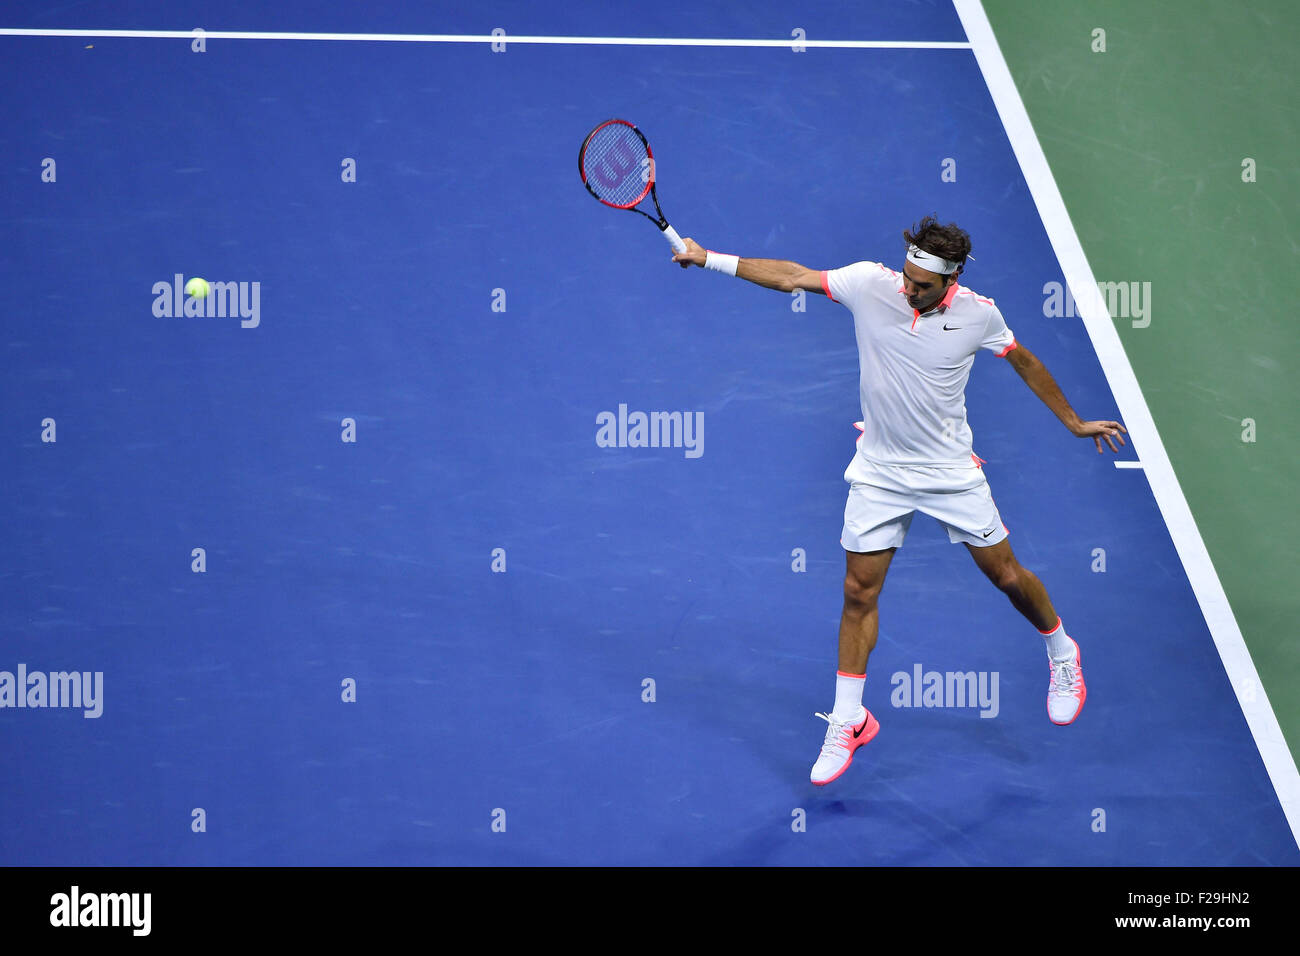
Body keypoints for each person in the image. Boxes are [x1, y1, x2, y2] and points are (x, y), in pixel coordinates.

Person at [671, 216, 1128, 786]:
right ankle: (849, 718)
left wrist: (1073, 421)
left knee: (1007, 576)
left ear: (952, 279)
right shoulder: (869, 283)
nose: (908, 290)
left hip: (949, 472)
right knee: (857, 591)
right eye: (907, 278)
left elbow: (1022, 359)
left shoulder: (979, 314)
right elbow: (792, 277)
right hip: (881, 471)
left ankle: (1061, 651)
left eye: (922, 285)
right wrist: (706, 256)